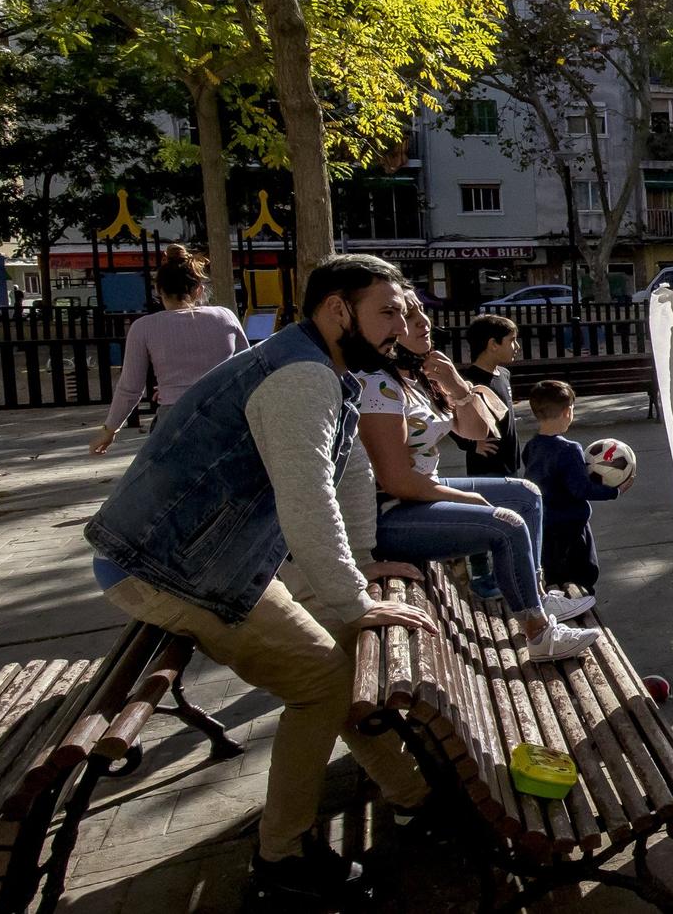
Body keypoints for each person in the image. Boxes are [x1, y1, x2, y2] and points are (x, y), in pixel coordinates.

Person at [84, 254, 436, 898]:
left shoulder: (319, 368)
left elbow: (349, 473)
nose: (401, 326)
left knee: (340, 649)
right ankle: (281, 860)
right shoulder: (301, 377)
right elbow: (309, 501)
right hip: (169, 568)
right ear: (337, 310)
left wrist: (357, 574)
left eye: (405, 312)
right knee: (326, 681)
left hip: (202, 559)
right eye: (387, 312)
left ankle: (414, 793)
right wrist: (356, 598)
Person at [358, 295, 598, 663]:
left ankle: (534, 592)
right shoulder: (376, 386)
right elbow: (396, 482)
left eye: (421, 311)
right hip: (389, 513)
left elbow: (477, 430)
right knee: (506, 524)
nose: (423, 322)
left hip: (417, 496)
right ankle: (539, 633)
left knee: (526, 494)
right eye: (407, 315)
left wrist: (457, 387)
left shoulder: (416, 376)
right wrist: (466, 500)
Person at [90, 245, 249, 452]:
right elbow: (246, 369)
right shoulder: (225, 316)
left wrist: (110, 430)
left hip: (174, 418)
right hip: (224, 415)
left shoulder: (144, 328)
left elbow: (130, 388)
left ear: (158, 290)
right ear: (198, 289)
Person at [522, 381, 625, 590]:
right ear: (567, 412)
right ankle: (583, 613)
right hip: (571, 529)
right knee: (583, 576)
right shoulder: (569, 449)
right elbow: (581, 489)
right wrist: (615, 491)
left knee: (554, 578)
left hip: (545, 526)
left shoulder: (532, 446)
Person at [451, 313, 521, 476]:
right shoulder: (468, 382)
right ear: (493, 344)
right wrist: (471, 444)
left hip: (510, 464)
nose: (517, 346)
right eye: (512, 340)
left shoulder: (503, 374)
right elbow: (448, 417)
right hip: (486, 468)